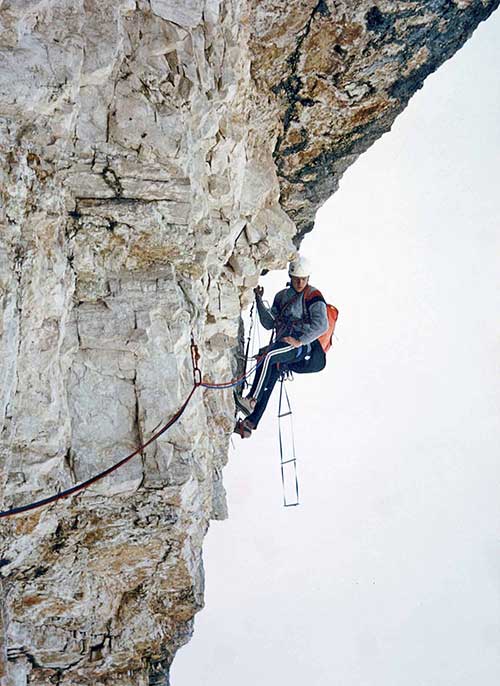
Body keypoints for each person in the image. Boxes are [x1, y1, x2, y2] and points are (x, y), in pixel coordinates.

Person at [234, 255, 328, 438]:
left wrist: (300, 341)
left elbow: (322, 325)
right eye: (297, 279)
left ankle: (251, 400)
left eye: (304, 279)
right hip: (284, 342)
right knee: (269, 375)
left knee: (268, 356)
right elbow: (270, 323)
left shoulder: (313, 296)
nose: (300, 282)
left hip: (299, 346)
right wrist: (259, 301)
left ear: (308, 278)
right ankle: (249, 424)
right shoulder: (282, 297)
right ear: (291, 277)